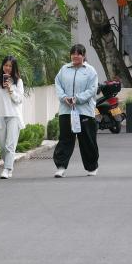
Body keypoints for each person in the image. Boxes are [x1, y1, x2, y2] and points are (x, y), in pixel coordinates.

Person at [52, 44, 100, 178]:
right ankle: (61, 167)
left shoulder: (90, 71)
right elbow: (58, 85)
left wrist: (77, 99)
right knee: (65, 139)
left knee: (87, 140)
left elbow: (92, 89)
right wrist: (64, 97)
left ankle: (92, 167)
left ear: (83, 56)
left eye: (78, 54)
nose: (75, 56)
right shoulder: (64, 69)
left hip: (84, 111)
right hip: (66, 110)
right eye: (73, 53)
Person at [0, 55, 25, 179]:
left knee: (10, 145)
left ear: (14, 68)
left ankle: (7, 169)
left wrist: (10, 88)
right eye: (6, 65)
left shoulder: (18, 81)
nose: (7, 68)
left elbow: (19, 100)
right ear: (2, 66)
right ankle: (8, 166)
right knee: (2, 146)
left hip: (13, 116)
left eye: (10, 66)